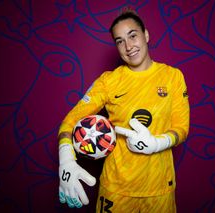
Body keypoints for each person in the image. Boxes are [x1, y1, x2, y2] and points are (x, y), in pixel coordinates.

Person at [58, 9, 190, 212]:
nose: (128, 46)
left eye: (133, 36)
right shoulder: (108, 81)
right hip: (116, 189)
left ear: (146, 35)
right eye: (120, 41)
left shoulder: (172, 77)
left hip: (159, 189)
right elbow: (70, 120)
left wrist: (157, 143)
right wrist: (66, 159)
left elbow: (182, 128)